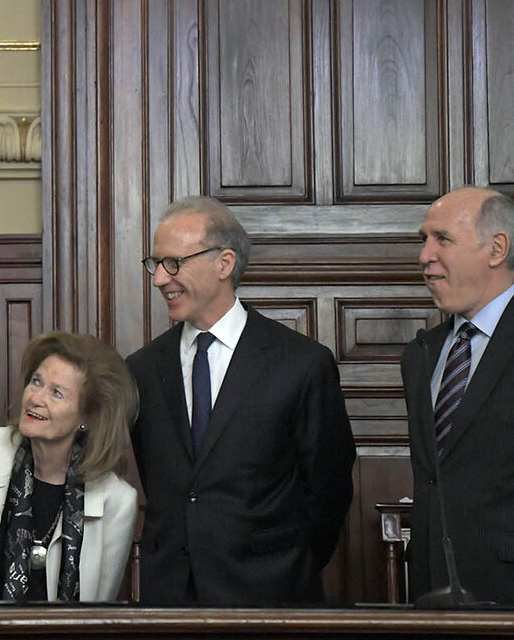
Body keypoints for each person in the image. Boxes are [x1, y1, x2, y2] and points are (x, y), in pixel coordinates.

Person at [126, 196, 356, 606]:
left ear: (224, 263)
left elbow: (329, 490)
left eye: (173, 263)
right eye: (155, 264)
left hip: (272, 597)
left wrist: (286, 563)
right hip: (170, 601)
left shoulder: (300, 363)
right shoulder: (143, 368)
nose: (160, 279)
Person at [402, 186, 514, 607]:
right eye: (423, 240)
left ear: (496, 248)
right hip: (432, 595)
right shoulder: (421, 353)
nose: (425, 256)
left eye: (442, 239)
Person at [0, 331, 139, 602]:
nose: (36, 398)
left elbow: (100, 606)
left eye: (56, 393)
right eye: (36, 382)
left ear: (88, 417)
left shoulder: (117, 500)